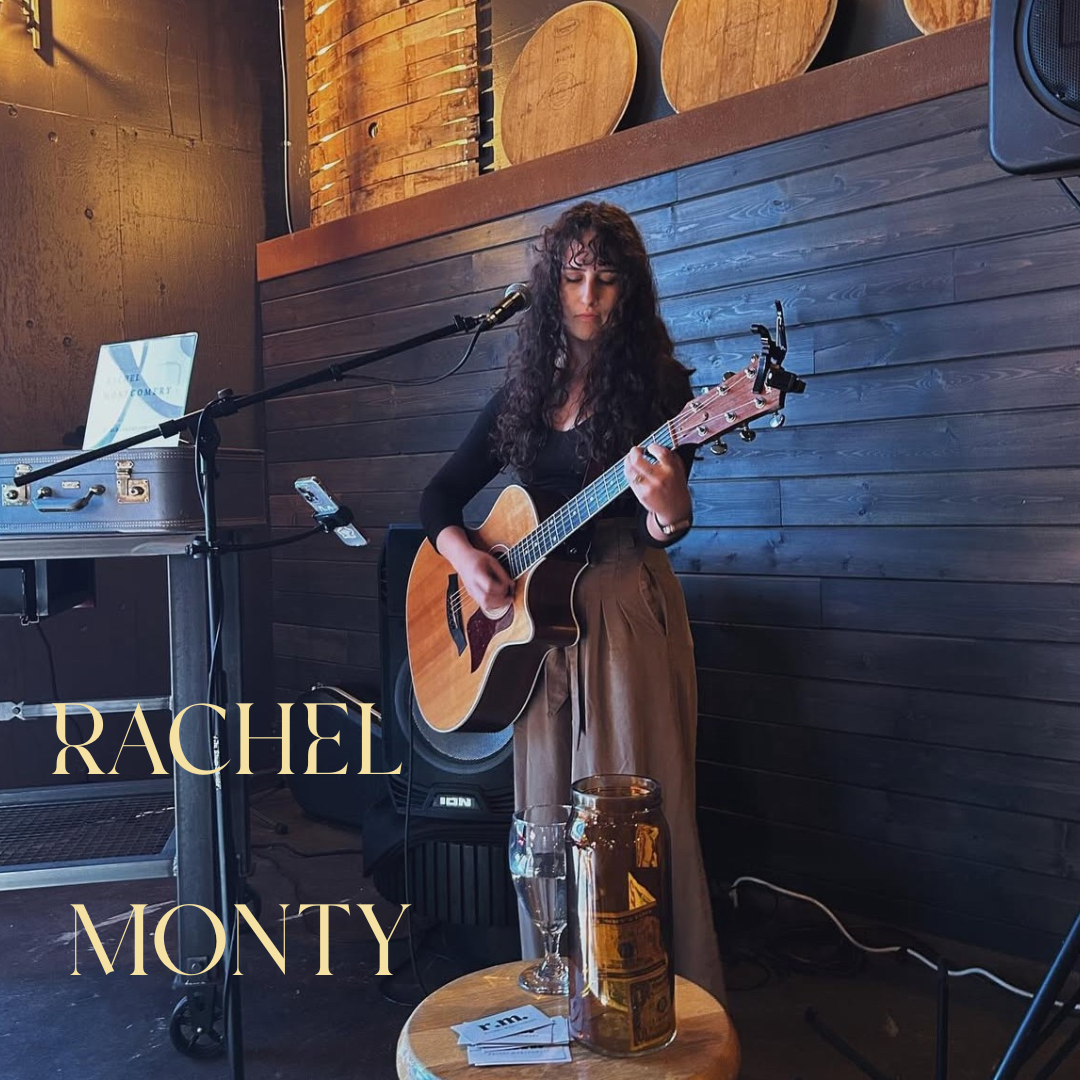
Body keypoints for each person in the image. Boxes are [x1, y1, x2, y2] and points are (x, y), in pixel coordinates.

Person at [418, 201, 725, 1001]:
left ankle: (650, 1007)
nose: (588, 295)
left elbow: (666, 524)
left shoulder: (662, 390)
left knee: (627, 825)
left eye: (607, 279)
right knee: (548, 828)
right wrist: (472, 563)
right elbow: (440, 498)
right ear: (550, 285)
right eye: (573, 275)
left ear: (630, 292)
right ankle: (566, 1002)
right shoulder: (528, 389)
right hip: (534, 638)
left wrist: (671, 510)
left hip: (623, 611)